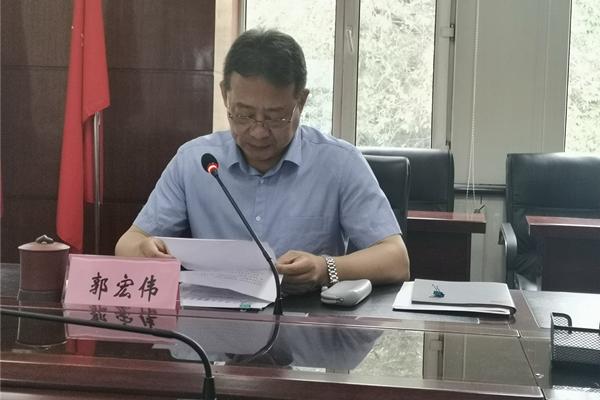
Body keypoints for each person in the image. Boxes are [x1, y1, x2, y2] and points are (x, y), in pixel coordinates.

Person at [115, 29, 409, 294]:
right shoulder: (195, 161)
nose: (258, 131)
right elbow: (128, 244)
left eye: (275, 117)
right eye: (243, 114)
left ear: (301, 101)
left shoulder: (339, 163)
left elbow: (396, 259)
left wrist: (325, 268)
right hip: (216, 321)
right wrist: (146, 251)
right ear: (224, 94)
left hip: (306, 320)